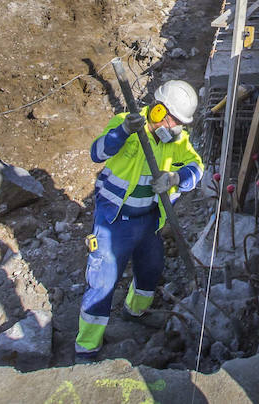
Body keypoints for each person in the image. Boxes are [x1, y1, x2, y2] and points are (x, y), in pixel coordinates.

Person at [75, 79, 203, 360]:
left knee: (151, 269)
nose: (176, 128)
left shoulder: (177, 141)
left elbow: (197, 167)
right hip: (115, 222)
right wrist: (122, 132)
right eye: (173, 121)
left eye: (181, 123)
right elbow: (97, 153)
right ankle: (86, 347)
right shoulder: (126, 125)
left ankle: (135, 312)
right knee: (102, 282)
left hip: (148, 222)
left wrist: (176, 178)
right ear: (158, 111)